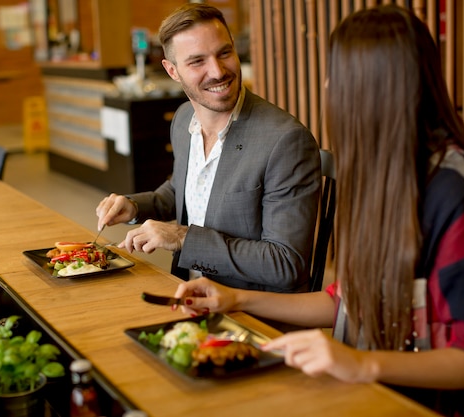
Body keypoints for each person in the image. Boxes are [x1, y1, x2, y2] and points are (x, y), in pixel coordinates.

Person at [170, 5, 464, 416]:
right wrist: (235, 299)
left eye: (336, 74)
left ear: (376, 87)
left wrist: (358, 362)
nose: (327, 84)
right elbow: (346, 302)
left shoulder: (455, 191)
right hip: (364, 393)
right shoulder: (381, 171)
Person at [95, 4, 321, 293]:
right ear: (172, 71)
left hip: (248, 311)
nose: (217, 71)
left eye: (224, 53)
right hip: (184, 290)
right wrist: (135, 207)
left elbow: (286, 264)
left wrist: (181, 237)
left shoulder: (285, 141)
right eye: (197, 61)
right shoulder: (183, 119)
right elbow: (183, 191)